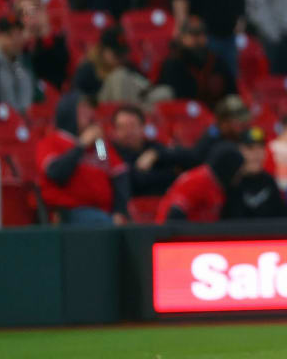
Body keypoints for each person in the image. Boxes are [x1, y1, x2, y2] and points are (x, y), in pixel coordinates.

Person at [35, 92, 130, 226]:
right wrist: (82, 145)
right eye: (83, 108)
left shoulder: (99, 145)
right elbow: (57, 174)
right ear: (69, 111)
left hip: (103, 213)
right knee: (102, 222)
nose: (89, 113)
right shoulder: (51, 141)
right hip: (70, 212)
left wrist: (119, 212)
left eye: (90, 108)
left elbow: (116, 173)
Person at [155, 18, 236, 109]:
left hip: (216, 115)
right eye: (193, 34)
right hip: (182, 115)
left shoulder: (217, 62)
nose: (197, 39)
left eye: (201, 34)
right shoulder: (172, 63)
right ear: (182, 37)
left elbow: (232, 93)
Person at [156, 142, 244, 223]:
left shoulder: (219, 183)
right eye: (237, 172)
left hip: (200, 236)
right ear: (229, 169)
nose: (239, 176)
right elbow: (174, 214)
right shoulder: (198, 181)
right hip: (171, 235)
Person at [110, 105, 182, 197]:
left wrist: (157, 154)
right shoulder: (109, 150)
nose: (128, 131)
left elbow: (190, 157)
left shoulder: (153, 147)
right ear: (114, 131)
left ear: (143, 127)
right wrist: (172, 173)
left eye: (132, 126)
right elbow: (137, 180)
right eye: (121, 127)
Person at [225, 127, 287, 219]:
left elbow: (285, 219)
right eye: (250, 148)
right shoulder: (231, 183)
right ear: (238, 151)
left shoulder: (269, 181)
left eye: (261, 148)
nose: (256, 154)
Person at [73, 27, 148, 103]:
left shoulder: (128, 66)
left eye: (123, 54)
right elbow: (79, 97)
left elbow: (145, 87)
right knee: (119, 76)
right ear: (103, 50)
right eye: (117, 54)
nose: (121, 58)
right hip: (101, 108)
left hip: (135, 106)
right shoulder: (89, 68)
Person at [14, 0, 69, 90]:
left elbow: (60, 66)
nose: (31, 16)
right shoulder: (15, 43)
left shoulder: (58, 39)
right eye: (24, 13)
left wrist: (45, 34)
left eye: (34, 11)